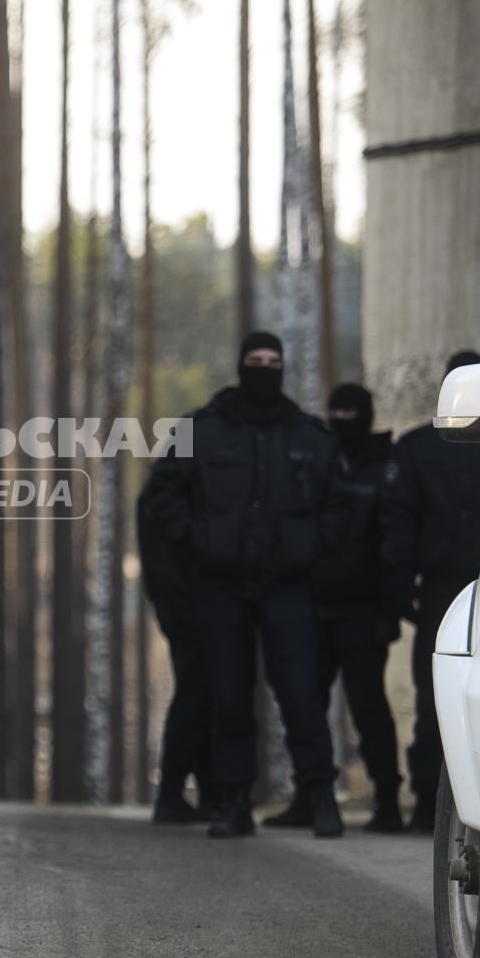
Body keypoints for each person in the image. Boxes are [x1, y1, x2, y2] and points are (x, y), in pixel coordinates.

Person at [142, 330, 350, 840]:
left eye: (273, 360)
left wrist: (309, 547)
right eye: (256, 360)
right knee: (228, 695)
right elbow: (163, 496)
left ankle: (320, 795)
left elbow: (340, 504)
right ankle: (233, 802)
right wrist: (200, 540)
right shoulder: (201, 430)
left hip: (287, 586)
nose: (265, 367)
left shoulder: (307, 435)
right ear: (241, 365)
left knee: (301, 695)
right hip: (222, 586)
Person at [381, 350, 480, 832]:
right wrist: (400, 582)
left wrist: (401, 582)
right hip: (474, 589)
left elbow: (397, 524)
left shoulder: (424, 446)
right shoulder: (425, 448)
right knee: (437, 702)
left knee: (447, 700)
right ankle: (432, 804)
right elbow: (398, 521)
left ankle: (440, 806)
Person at [267, 382, 403, 834]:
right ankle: (310, 796)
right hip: (313, 605)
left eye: (351, 413)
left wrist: (389, 608)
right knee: (304, 705)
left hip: (362, 611)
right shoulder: (315, 461)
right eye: (336, 413)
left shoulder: (386, 467)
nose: (342, 421)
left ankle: (387, 800)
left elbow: (392, 546)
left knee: (368, 709)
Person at [141, 479, 216, 824]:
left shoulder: (162, 491)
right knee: (196, 697)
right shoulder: (167, 494)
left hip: (185, 607)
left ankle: (198, 792)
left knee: (201, 697)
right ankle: (174, 792)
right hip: (188, 609)